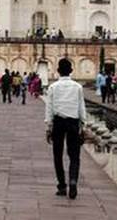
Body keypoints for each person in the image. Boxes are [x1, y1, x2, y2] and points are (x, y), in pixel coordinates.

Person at [44, 58, 86, 200]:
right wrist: (83, 125)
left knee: (58, 155)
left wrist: (48, 127)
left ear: (58, 71)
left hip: (58, 122)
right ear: (71, 71)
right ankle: (73, 180)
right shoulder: (77, 87)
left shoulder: (53, 87)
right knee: (74, 155)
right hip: (73, 122)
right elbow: (81, 108)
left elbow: (49, 108)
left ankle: (62, 186)